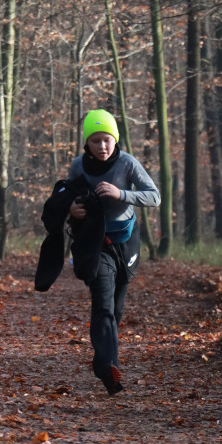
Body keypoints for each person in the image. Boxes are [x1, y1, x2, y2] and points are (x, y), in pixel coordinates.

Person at [67, 109, 160, 396]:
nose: (102, 146)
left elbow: (154, 196)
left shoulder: (128, 164)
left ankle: (102, 362)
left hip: (126, 243)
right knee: (103, 303)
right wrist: (72, 209)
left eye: (107, 140)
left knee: (116, 310)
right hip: (96, 245)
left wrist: (122, 195)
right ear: (87, 143)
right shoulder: (78, 167)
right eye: (95, 141)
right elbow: (66, 198)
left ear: (115, 139)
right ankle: (110, 367)